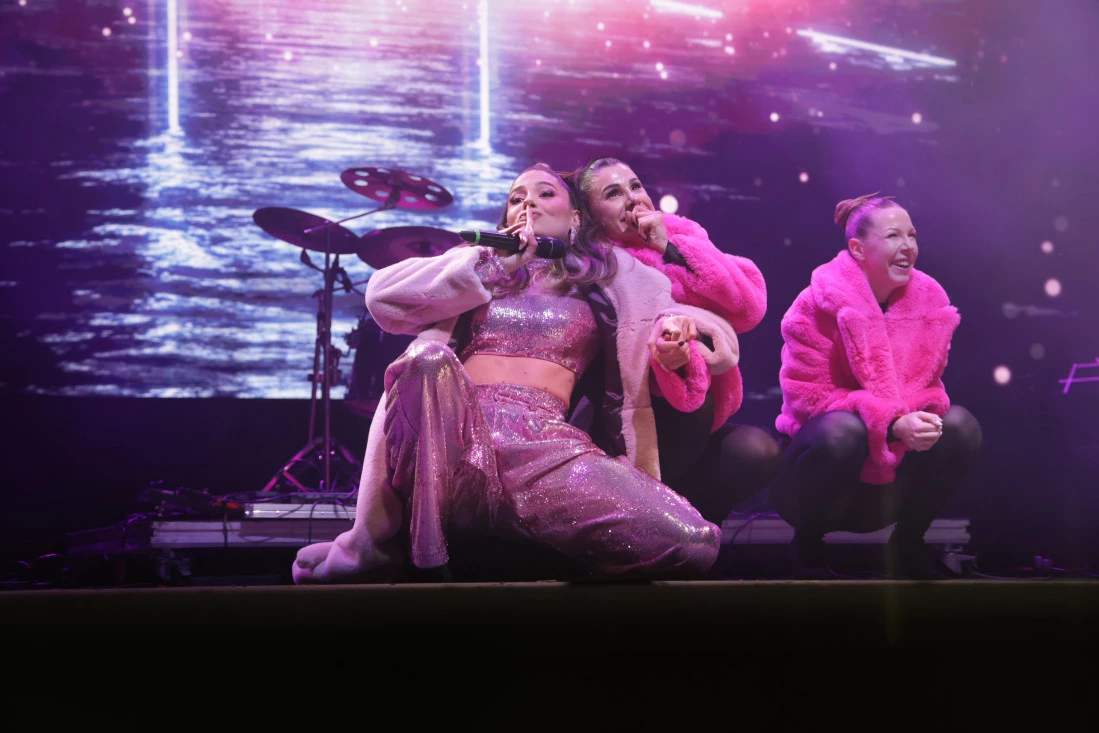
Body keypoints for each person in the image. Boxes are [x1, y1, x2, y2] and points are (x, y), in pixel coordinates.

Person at [291, 164, 742, 583]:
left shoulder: (616, 278)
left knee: (694, 542)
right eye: (516, 197)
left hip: (544, 447)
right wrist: (492, 263)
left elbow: (714, 327)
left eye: (545, 193)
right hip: (453, 434)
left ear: (575, 218)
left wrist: (676, 329)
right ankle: (426, 564)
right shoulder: (478, 264)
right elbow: (382, 297)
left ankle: (541, 552)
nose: (528, 202)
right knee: (425, 359)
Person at [773, 193, 982, 579]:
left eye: (912, 235)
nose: (908, 246)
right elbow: (808, 398)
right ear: (857, 249)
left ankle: (908, 544)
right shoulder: (813, 305)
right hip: (818, 477)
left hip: (889, 479)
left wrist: (921, 421)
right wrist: (891, 424)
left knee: (959, 425)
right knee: (841, 431)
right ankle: (808, 544)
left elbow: (931, 388)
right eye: (893, 236)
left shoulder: (929, 302)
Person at [566, 157, 782, 525]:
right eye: (613, 194)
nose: (633, 199)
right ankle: (651, 526)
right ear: (590, 215)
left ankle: (690, 532)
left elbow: (748, 307)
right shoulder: (593, 266)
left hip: (694, 422)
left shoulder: (680, 236)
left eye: (636, 186)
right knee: (695, 406)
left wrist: (669, 247)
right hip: (624, 425)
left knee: (757, 451)